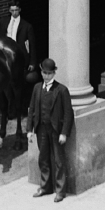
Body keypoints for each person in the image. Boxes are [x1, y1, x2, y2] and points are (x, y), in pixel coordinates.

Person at [30, 58, 74, 198]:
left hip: (56, 130)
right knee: (43, 158)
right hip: (41, 129)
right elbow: (32, 109)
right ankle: (45, 187)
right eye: (44, 72)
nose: (46, 76)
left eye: (49, 73)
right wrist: (29, 130)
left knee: (58, 160)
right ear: (41, 72)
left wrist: (64, 133)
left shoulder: (61, 90)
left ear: (54, 73)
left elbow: (68, 113)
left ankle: (60, 191)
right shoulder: (37, 88)